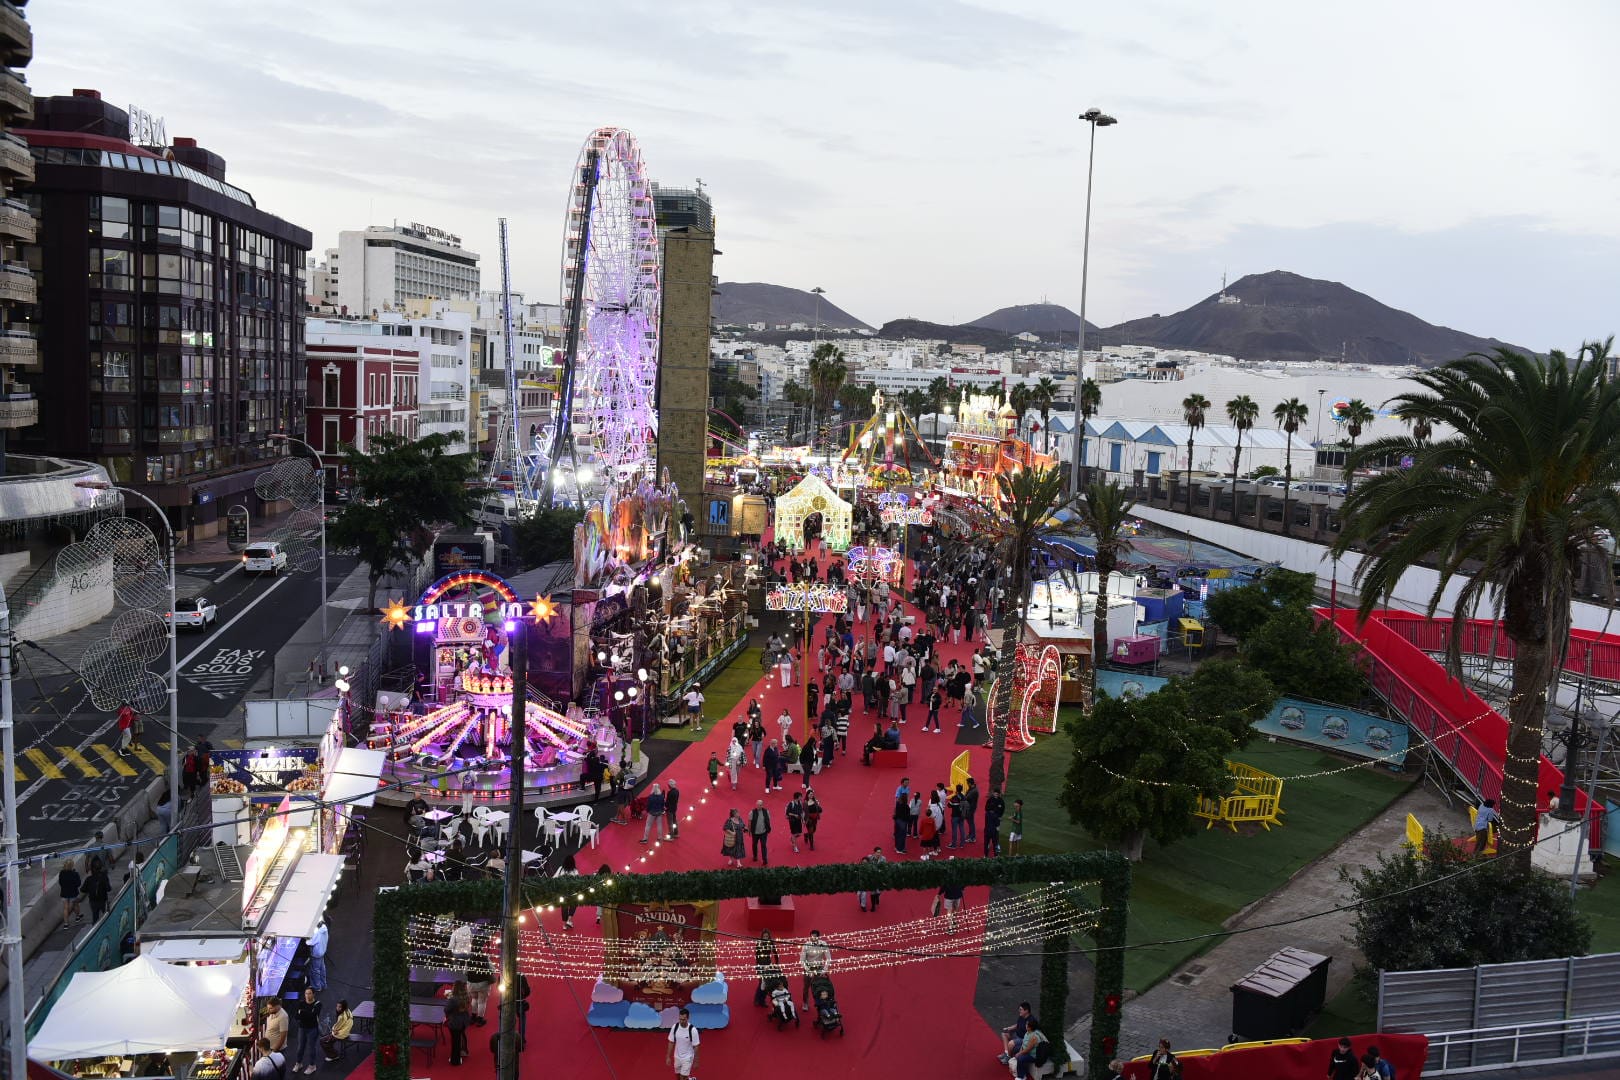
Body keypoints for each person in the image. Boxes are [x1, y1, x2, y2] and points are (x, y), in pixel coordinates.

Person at [291, 987, 322, 1074]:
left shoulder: (318, 1004)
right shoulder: (301, 1003)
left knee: (311, 1048)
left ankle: (312, 1066)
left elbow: (312, 1016)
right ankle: (298, 1063)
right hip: (302, 1028)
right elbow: (296, 1016)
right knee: (300, 1047)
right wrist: (305, 1014)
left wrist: (302, 1013)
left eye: (309, 993)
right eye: (306, 994)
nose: (307, 996)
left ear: (313, 994)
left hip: (312, 1029)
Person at [799, 929, 832, 1006]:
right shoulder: (806, 945)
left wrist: (824, 970)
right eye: (812, 937)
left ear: (818, 937)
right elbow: (802, 960)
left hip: (819, 967)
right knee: (806, 987)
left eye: (815, 937)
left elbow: (828, 958)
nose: (813, 938)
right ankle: (805, 1002)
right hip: (808, 967)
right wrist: (807, 970)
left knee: (820, 986)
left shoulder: (823, 944)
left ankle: (820, 1003)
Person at [666, 1007, 700, 1079]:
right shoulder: (675, 1027)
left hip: (688, 1057)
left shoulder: (693, 1030)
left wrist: (696, 1060)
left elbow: (696, 1046)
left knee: (682, 1077)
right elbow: (671, 1042)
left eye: (683, 1019)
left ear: (688, 1018)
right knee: (678, 1077)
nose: (681, 1021)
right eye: (680, 1019)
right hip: (677, 1056)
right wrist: (668, 1056)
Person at [444, 980, 471, 1065]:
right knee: (461, 1036)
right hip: (464, 1021)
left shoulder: (453, 999)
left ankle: (455, 1060)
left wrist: (448, 999)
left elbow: (446, 1010)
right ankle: (464, 1051)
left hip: (455, 1022)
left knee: (455, 1041)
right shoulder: (467, 996)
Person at [84, 856, 111, 923]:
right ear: (101, 867)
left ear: (92, 868)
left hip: (93, 901)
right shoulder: (104, 877)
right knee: (106, 916)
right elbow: (109, 889)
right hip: (103, 900)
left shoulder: (89, 879)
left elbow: (83, 889)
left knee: (95, 917)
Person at [860, 847, 885, 911]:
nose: (879, 854)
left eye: (880, 852)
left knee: (878, 892)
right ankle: (873, 907)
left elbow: (885, 868)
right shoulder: (870, 857)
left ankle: (877, 897)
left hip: (879, 878)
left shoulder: (883, 859)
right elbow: (864, 862)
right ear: (874, 852)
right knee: (872, 893)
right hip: (872, 878)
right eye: (877, 852)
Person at [308, 920, 329, 992]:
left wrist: (306, 939)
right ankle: (324, 984)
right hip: (322, 952)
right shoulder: (325, 928)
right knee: (322, 968)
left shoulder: (318, 933)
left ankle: (317, 987)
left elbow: (309, 942)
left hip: (317, 954)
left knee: (315, 970)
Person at [983, 787, 1005, 857]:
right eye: (995, 793)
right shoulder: (990, 800)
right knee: (994, 842)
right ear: (993, 793)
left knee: (992, 843)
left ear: (999, 794)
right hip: (992, 828)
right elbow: (986, 808)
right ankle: (992, 855)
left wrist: (999, 817)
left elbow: (1002, 810)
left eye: (997, 794)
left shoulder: (1001, 801)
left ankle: (990, 855)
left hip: (989, 828)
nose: (996, 795)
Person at [749, 800, 772, 864]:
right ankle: (755, 856)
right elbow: (749, 822)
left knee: (763, 845)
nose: (759, 806)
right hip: (755, 833)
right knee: (754, 845)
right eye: (758, 805)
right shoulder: (752, 812)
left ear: (762, 805)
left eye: (760, 805)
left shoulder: (766, 811)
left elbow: (768, 820)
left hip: (763, 832)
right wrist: (749, 830)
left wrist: (769, 827)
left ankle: (765, 859)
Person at [964, 777, 981, 844]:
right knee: (970, 822)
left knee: (971, 823)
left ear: (970, 783)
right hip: (970, 808)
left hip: (970, 809)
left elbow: (966, 797)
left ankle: (972, 837)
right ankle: (971, 835)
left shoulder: (974, 791)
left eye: (967, 783)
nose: (967, 784)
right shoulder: (973, 789)